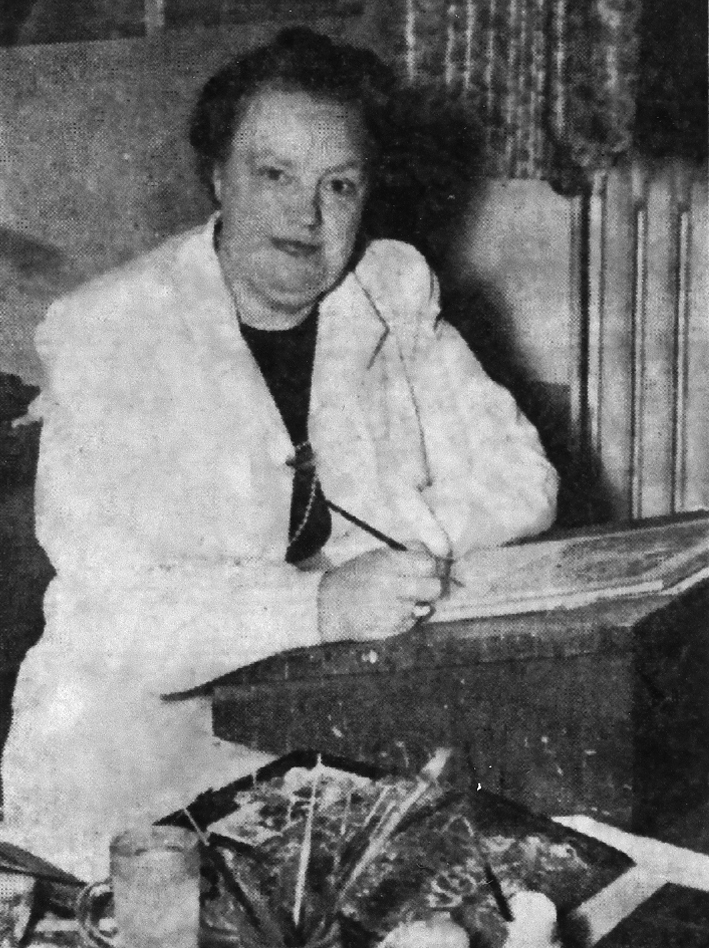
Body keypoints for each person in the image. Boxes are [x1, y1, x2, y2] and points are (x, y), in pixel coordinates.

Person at [1, 28, 557, 882]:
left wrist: (378, 563)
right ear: (217, 178)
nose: (307, 215)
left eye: (339, 184)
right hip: (134, 773)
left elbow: (522, 480)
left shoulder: (388, 286)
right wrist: (321, 602)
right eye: (274, 175)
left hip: (328, 733)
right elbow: (124, 618)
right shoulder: (109, 331)